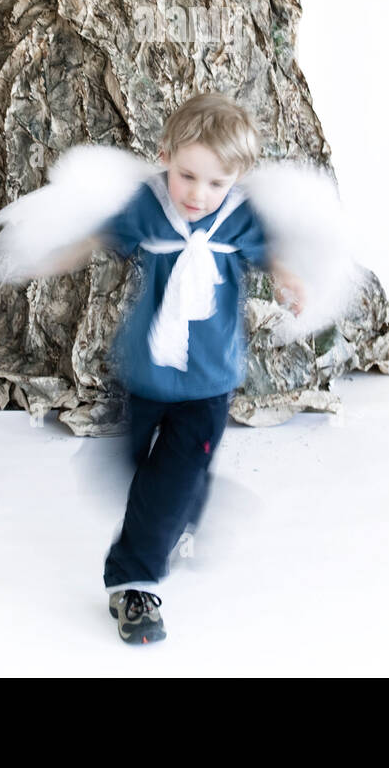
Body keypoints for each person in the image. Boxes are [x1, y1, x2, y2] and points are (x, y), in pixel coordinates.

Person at [43, 91, 306, 646]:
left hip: (208, 383)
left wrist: (287, 277)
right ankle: (187, 504)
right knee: (132, 467)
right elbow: (106, 233)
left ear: (236, 179)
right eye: (188, 176)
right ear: (165, 155)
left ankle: (135, 584)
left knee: (165, 483)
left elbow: (269, 251)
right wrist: (63, 248)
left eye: (216, 183)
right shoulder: (150, 203)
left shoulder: (237, 217)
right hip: (145, 370)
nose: (198, 194)